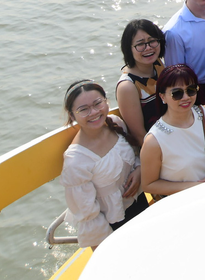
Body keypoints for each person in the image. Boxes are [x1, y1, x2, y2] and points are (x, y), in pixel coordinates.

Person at [61, 80, 146, 248]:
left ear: (106, 101)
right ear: (72, 115)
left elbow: (135, 154)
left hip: (141, 204)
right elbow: (90, 217)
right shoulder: (75, 162)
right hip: (114, 225)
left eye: (97, 103)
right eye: (83, 109)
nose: (93, 112)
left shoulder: (115, 123)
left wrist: (139, 170)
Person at [140, 64, 205, 196]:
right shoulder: (154, 141)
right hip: (187, 202)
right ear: (162, 97)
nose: (186, 97)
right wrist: (194, 186)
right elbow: (149, 185)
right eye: (177, 93)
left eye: (191, 90)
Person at [115, 19, 167, 135]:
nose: (148, 48)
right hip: (154, 145)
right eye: (140, 44)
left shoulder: (158, 64)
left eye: (152, 41)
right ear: (129, 49)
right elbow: (139, 135)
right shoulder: (127, 86)